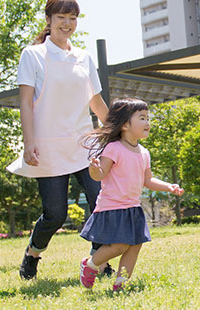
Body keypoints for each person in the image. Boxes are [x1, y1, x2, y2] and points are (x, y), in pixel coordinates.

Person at [5, 0, 109, 280]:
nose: (67, 23)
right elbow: (26, 102)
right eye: (61, 17)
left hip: (84, 146)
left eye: (72, 18)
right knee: (55, 214)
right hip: (48, 148)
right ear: (49, 20)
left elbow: (96, 103)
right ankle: (33, 254)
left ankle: (98, 259)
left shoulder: (83, 58)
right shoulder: (33, 55)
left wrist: (117, 134)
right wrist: (29, 143)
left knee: (100, 201)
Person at [78, 98, 184, 291]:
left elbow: (148, 180)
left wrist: (169, 186)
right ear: (125, 124)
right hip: (113, 207)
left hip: (133, 208)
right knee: (119, 246)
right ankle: (90, 264)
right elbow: (100, 174)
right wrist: (93, 169)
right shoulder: (113, 148)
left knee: (135, 245)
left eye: (148, 118)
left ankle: (121, 282)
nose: (147, 123)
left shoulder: (144, 152)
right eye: (142, 118)